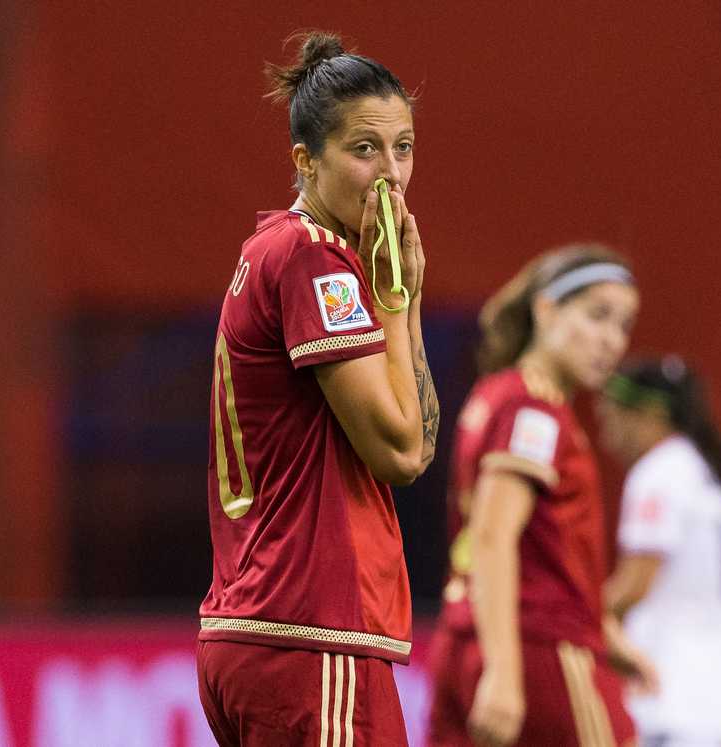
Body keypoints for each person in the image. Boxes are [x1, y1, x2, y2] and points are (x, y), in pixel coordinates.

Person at [196, 31, 439, 746]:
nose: (390, 173)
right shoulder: (315, 259)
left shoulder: (273, 247)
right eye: (364, 149)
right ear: (306, 160)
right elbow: (403, 449)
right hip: (310, 628)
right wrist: (401, 300)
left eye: (404, 146)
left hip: (258, 626)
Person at [426, 245, 651, 747]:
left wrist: (608, 637)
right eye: (597, 316)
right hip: (537, 649)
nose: (612, 341)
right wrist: (506, 673)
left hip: (463, 639)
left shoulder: (494, 395)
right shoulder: (535, 411)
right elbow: (491, 537)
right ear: (546, 309)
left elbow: (541, 547)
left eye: (623, 325)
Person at [598, 356, 721, 747]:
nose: (606, 430)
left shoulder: (659, 475)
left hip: (662, 693)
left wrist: (565, 619)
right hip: (718, 703)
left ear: (651, 413)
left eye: (612, 415)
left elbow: (634, 587)